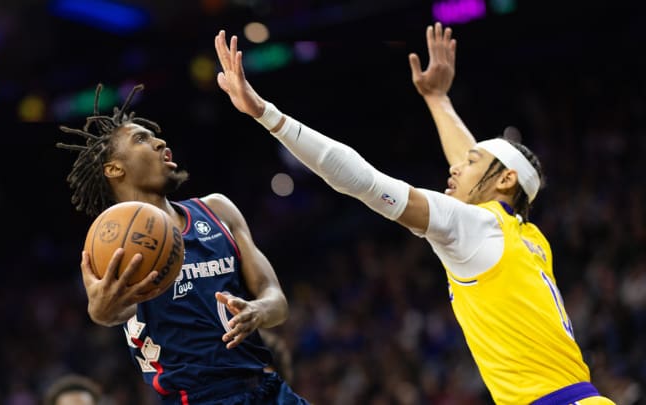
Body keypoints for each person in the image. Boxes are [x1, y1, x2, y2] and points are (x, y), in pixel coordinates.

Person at [214, 24, 616, 405]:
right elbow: (479, 166)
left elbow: (364, 181)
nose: (455, 166)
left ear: (506, 180)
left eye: (471, 162)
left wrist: (265, 113)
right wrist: (438, 99)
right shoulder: (527, 236)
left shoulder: (476, 226)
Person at [56, 84, 310, 405]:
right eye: (141, 139)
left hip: (268, 387)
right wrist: (101, 308)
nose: (160, 141)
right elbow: (106, 311)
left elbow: (277, 302)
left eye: (154, 136)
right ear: (114, 168)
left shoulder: (218, 210)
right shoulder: (111, 242)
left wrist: (257, 311)